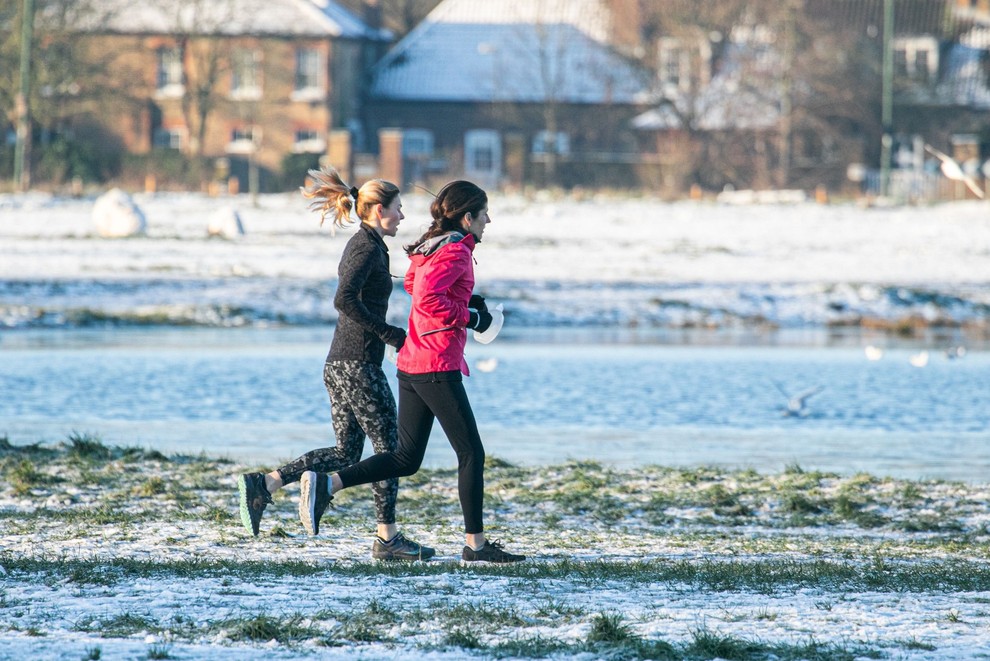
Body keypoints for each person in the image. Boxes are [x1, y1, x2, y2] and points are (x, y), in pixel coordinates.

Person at [297, 180, 525, 564]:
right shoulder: (454, 251)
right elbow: (430, 299)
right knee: (471, 453)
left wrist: (467, 298)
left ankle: (328, 483)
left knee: (406, 458)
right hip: (436, 364)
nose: (489, 220)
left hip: (412, 364)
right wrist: (472, 316)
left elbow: (414, 283)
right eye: (484, 213)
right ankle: (476, 545)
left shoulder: (432, 247)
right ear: (467, 218)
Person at [237, 166, 435, 562]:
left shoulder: (372, 244)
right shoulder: (364, 247)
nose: (403, 216)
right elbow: (344, 299)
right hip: (357, 364)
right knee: (392, 450)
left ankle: (267, 483)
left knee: (347, 453)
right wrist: (389, 334)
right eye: (398, 208)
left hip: (341, 363)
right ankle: (387, 538)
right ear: (378, 209)